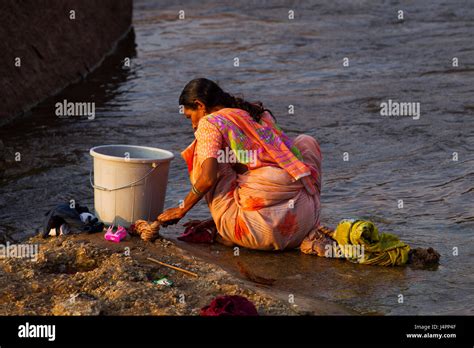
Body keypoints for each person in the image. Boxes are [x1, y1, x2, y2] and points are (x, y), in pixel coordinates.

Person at [157, 78, 322, 251]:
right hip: (304, 221)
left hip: (259, 233)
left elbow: (208, 178)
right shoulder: (255, 113)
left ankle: (228, 226)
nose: (193, 125)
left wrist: (181, 209)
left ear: (200, 105)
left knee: (205, 156)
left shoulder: (210, 123)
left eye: (190, 117)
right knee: (305, 142)